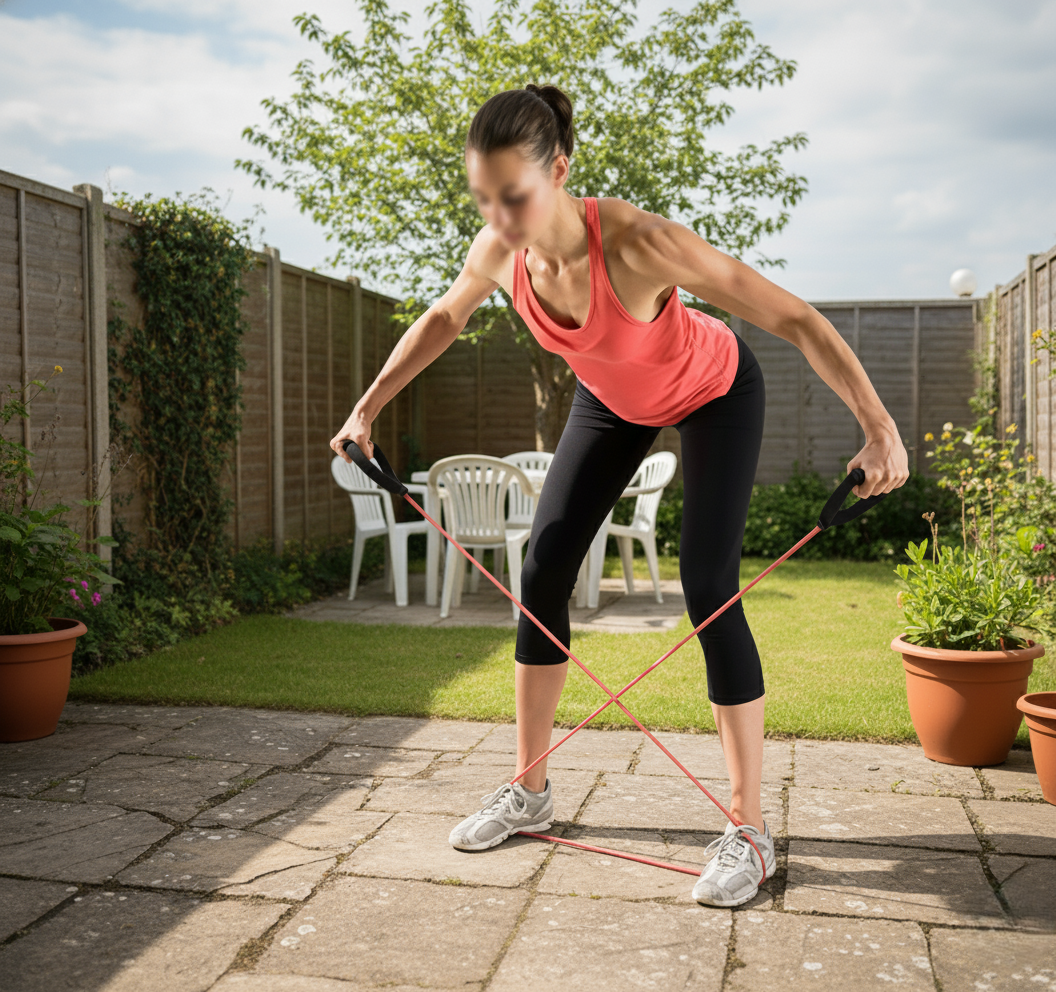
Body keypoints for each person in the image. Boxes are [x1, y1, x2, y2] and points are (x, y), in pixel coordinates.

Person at [330, 83, 909, 907]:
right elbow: (444, 317)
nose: (498, 217)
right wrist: (367, 406)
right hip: (614, 400)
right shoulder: (500, 246)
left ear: (559, 170)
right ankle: (529, 791)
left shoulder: (641, 243)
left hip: (713, 391)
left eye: (515, 196)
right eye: (484, 198)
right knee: (542, 571)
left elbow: (797, 320)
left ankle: (749, 827)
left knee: (709, 588)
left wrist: (879, 426)